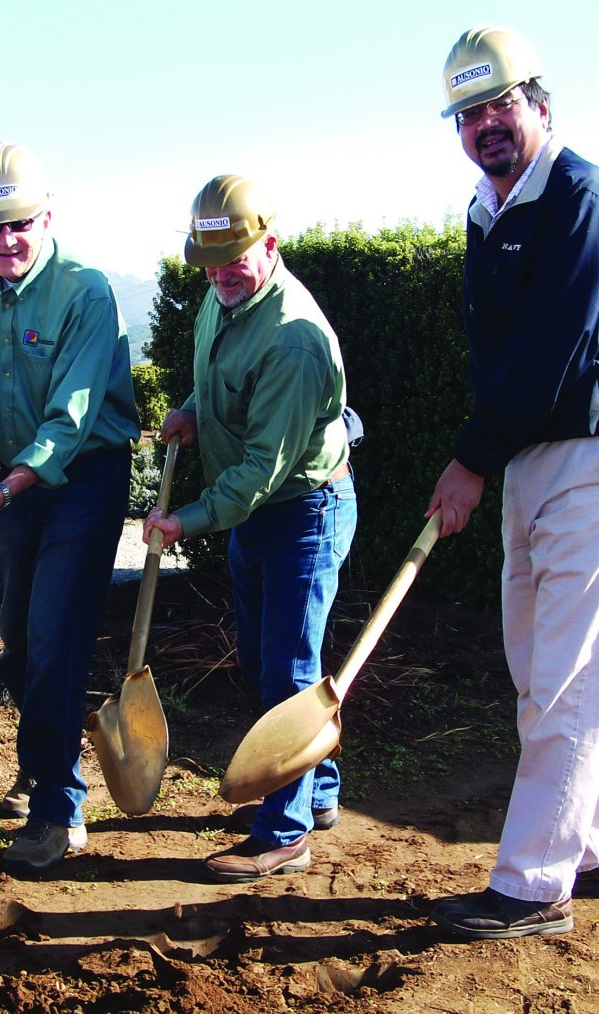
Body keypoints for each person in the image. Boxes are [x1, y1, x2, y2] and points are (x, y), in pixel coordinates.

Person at [426, 27, 599, 939]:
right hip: (534, 451)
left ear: (539, 103)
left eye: (499, 104)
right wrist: (491, 455)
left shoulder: (583, 198)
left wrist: (469, 458)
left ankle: (535, 882)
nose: (485, 125)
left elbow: (552, 349)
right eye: (468, 113)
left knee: (567, 670)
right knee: (539, 663)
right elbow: (504, 363)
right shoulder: (488, 212)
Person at [144, 175, 357, 882]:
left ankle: (285, 832)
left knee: (290, 677)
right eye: (210, 262)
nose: (223, 273)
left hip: (301, 514)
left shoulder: (294, 340)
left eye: (237, 256)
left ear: (270, 242)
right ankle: (316, 792)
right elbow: (220, 383)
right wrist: (190, 410)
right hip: (257, 515)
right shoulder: (222, 296)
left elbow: (263, 468)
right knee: (275, 664)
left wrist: (184, 521)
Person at [0, 142, 140, 874]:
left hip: (83, 476)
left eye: (19, 223)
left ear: (46, 213)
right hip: (18, 472)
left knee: (57, 636)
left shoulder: (86, 291)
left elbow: (70, 418)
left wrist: (3, 487)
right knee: (20, 643)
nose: (7, 241)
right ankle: (43, 756)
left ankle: (59, 808)